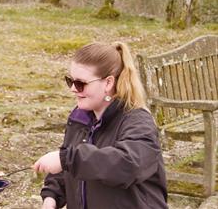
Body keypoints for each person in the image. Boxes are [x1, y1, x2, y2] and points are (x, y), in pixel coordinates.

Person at [33, 42, 168, 209]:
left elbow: (127, 165)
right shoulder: (80, 118)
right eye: (70, 81)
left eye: (81, 83)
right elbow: (70, 166)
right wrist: (51, 196)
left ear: (108, 83)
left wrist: (66, 159)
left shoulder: (138, 122)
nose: (73, 89)